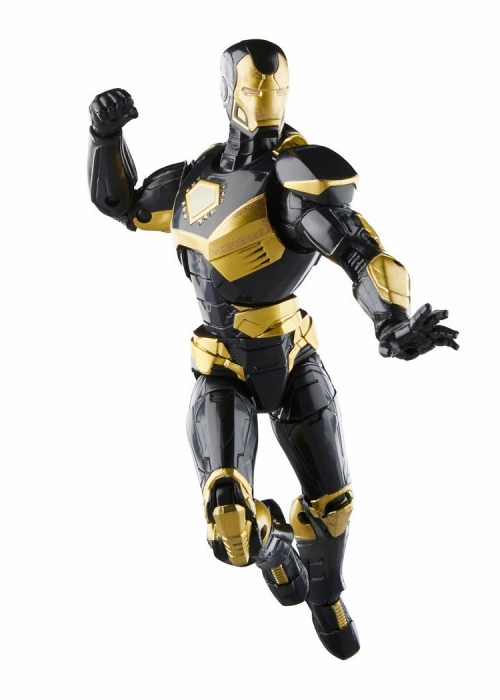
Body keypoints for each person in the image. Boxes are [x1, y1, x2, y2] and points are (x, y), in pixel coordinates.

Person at [88, 39, 459, 659]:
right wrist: (104, 138)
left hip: (289, 355)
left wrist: (389, 320)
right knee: (228, 521)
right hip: (222, 363)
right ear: (227, 92)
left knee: (333, 506)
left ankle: (326, 592)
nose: (264, 99)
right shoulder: (196, 177)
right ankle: (277, 552)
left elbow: (356, 249)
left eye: (274, 88)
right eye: (253, 87)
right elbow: (121, 204)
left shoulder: (294, 180)